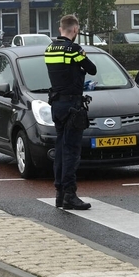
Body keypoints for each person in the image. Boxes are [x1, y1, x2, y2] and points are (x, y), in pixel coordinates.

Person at [45, 14, 97, 210]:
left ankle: (59, 193)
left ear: (60, 29)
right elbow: (91, 69)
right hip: (72, 105)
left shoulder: (49, 48)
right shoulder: (74, 49)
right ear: (75, 30)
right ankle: (70, 194)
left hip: (57, 105)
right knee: (72, 151)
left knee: (60, 148)